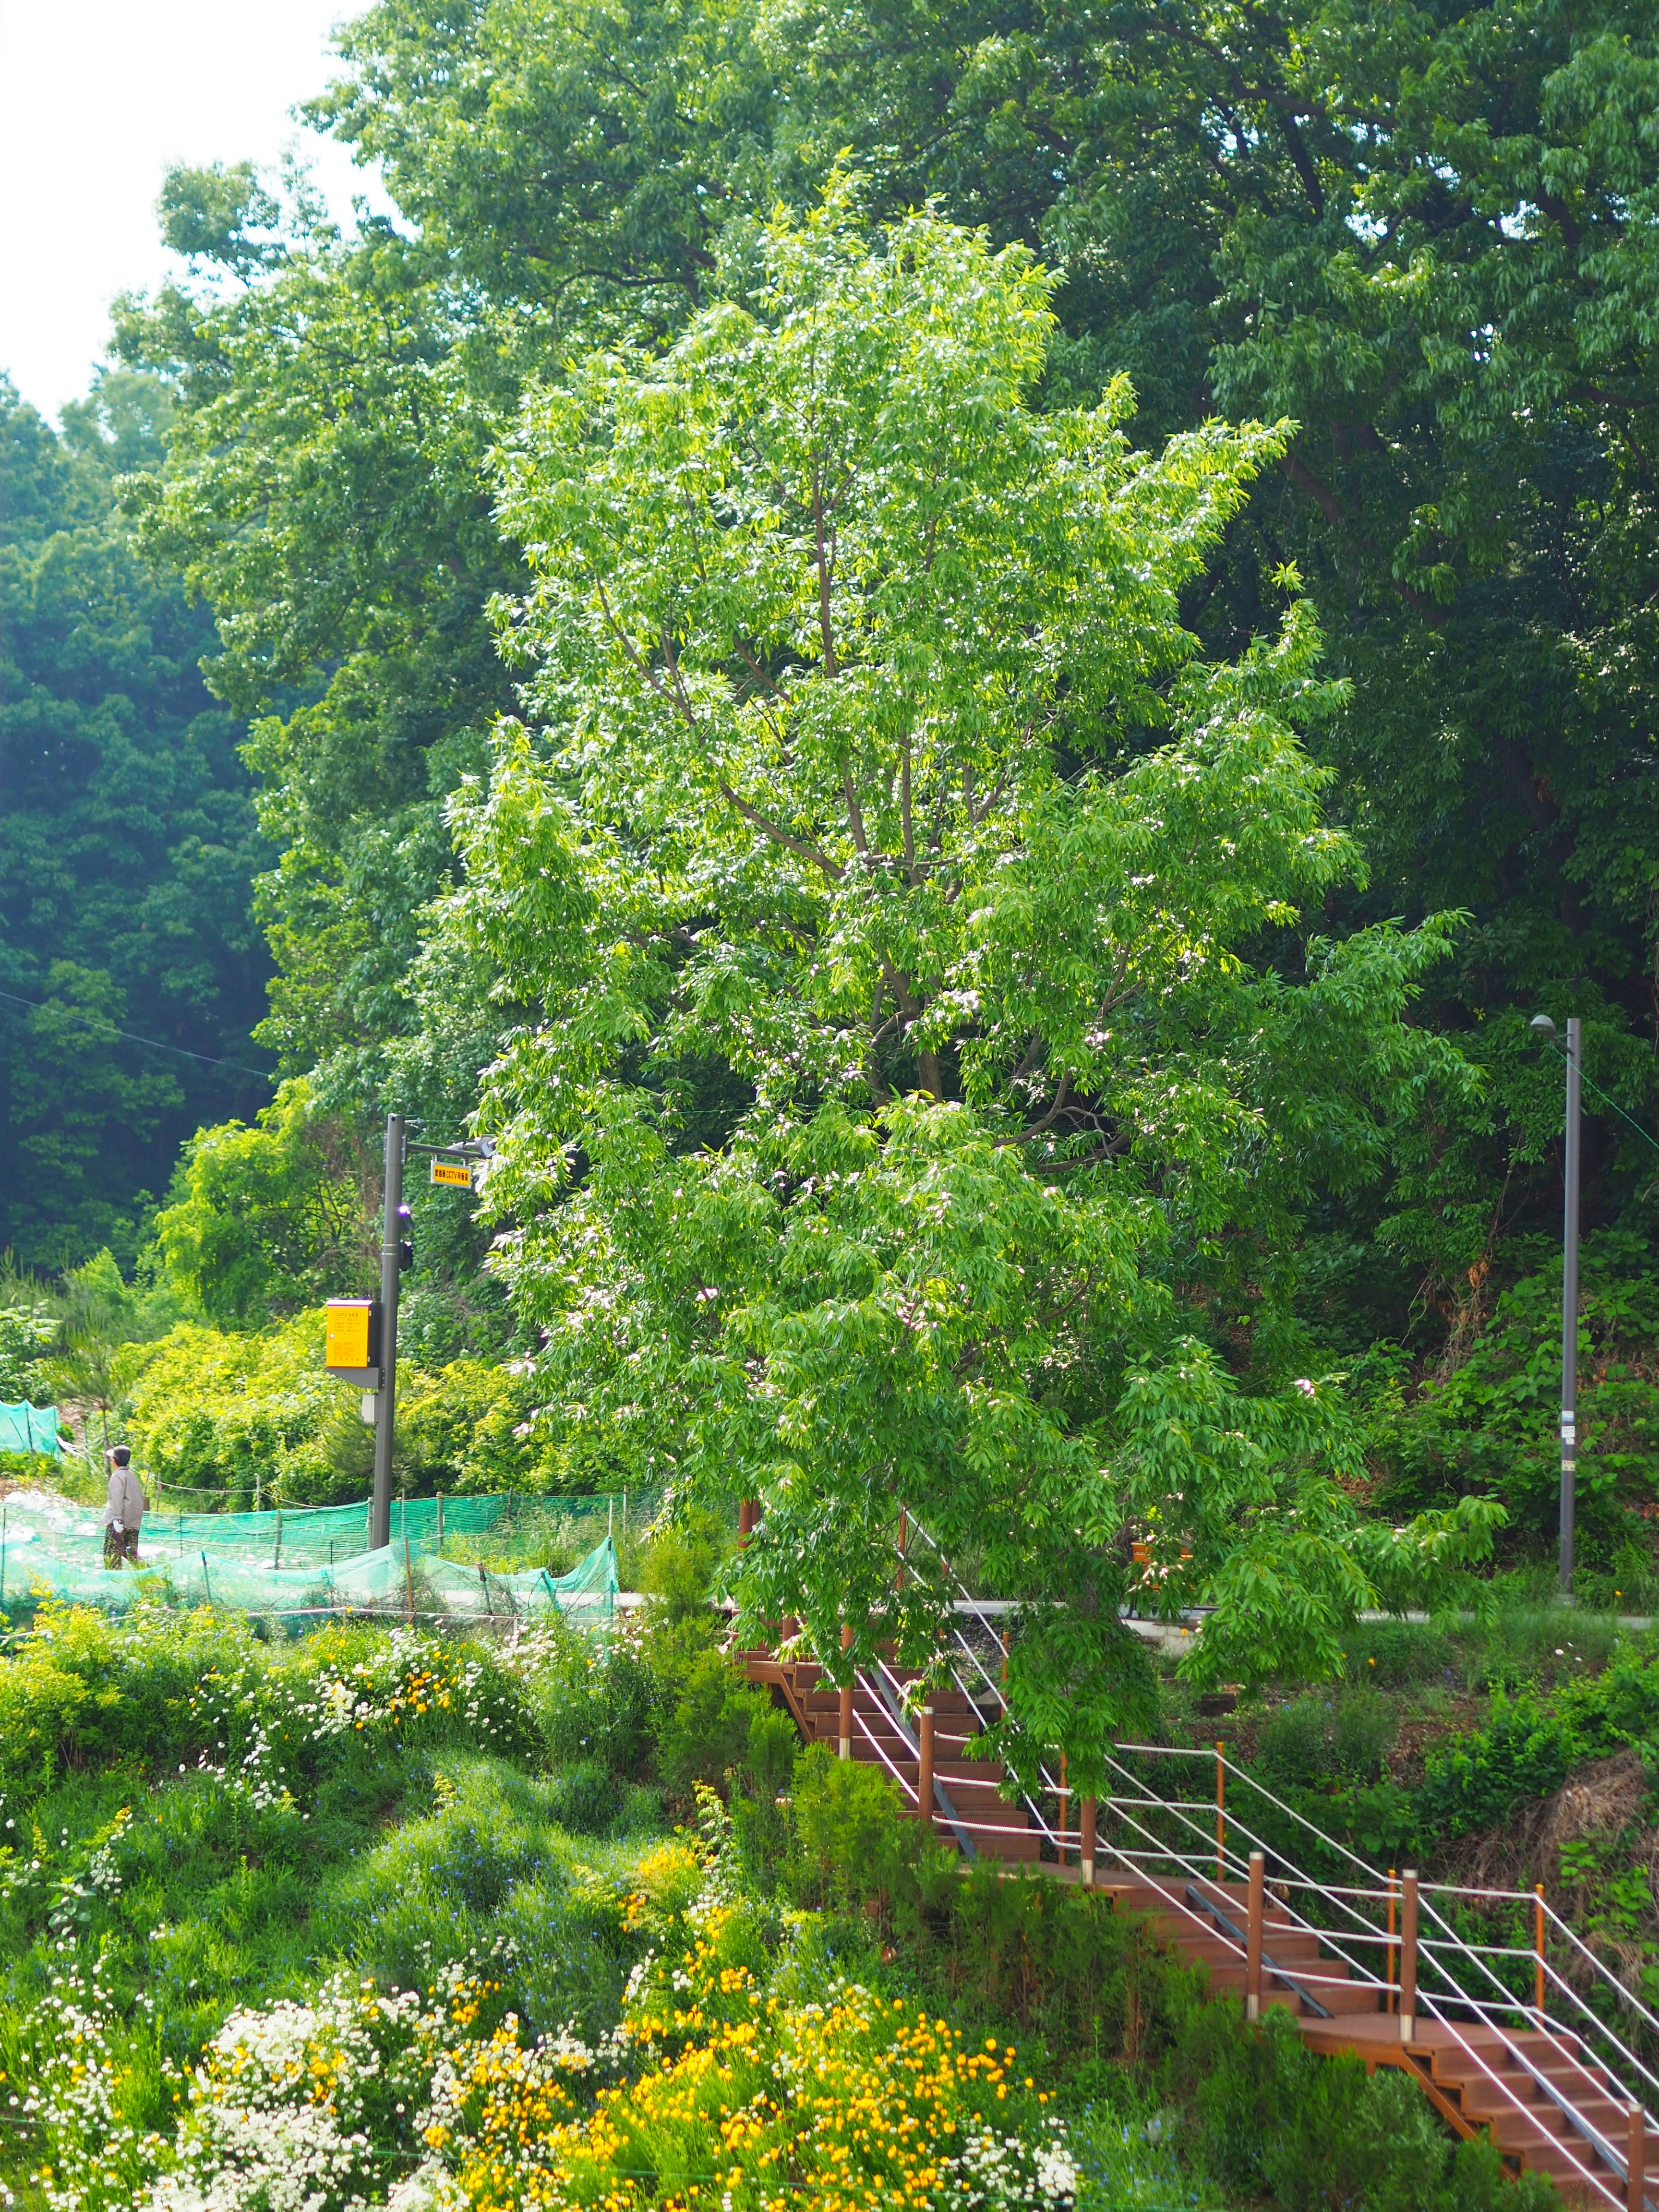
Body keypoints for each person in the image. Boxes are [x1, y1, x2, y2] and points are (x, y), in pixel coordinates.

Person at [103, 1445, 145, 1568]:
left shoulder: (117, 1477)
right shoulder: (132, 1476)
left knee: (111, 1555)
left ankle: (114, 1581)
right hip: (133, 1524)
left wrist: (116, 1519)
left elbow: (117, 1499)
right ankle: (151, 1577)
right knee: (132, 1554)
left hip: (119, 1524)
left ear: (115, 1460)